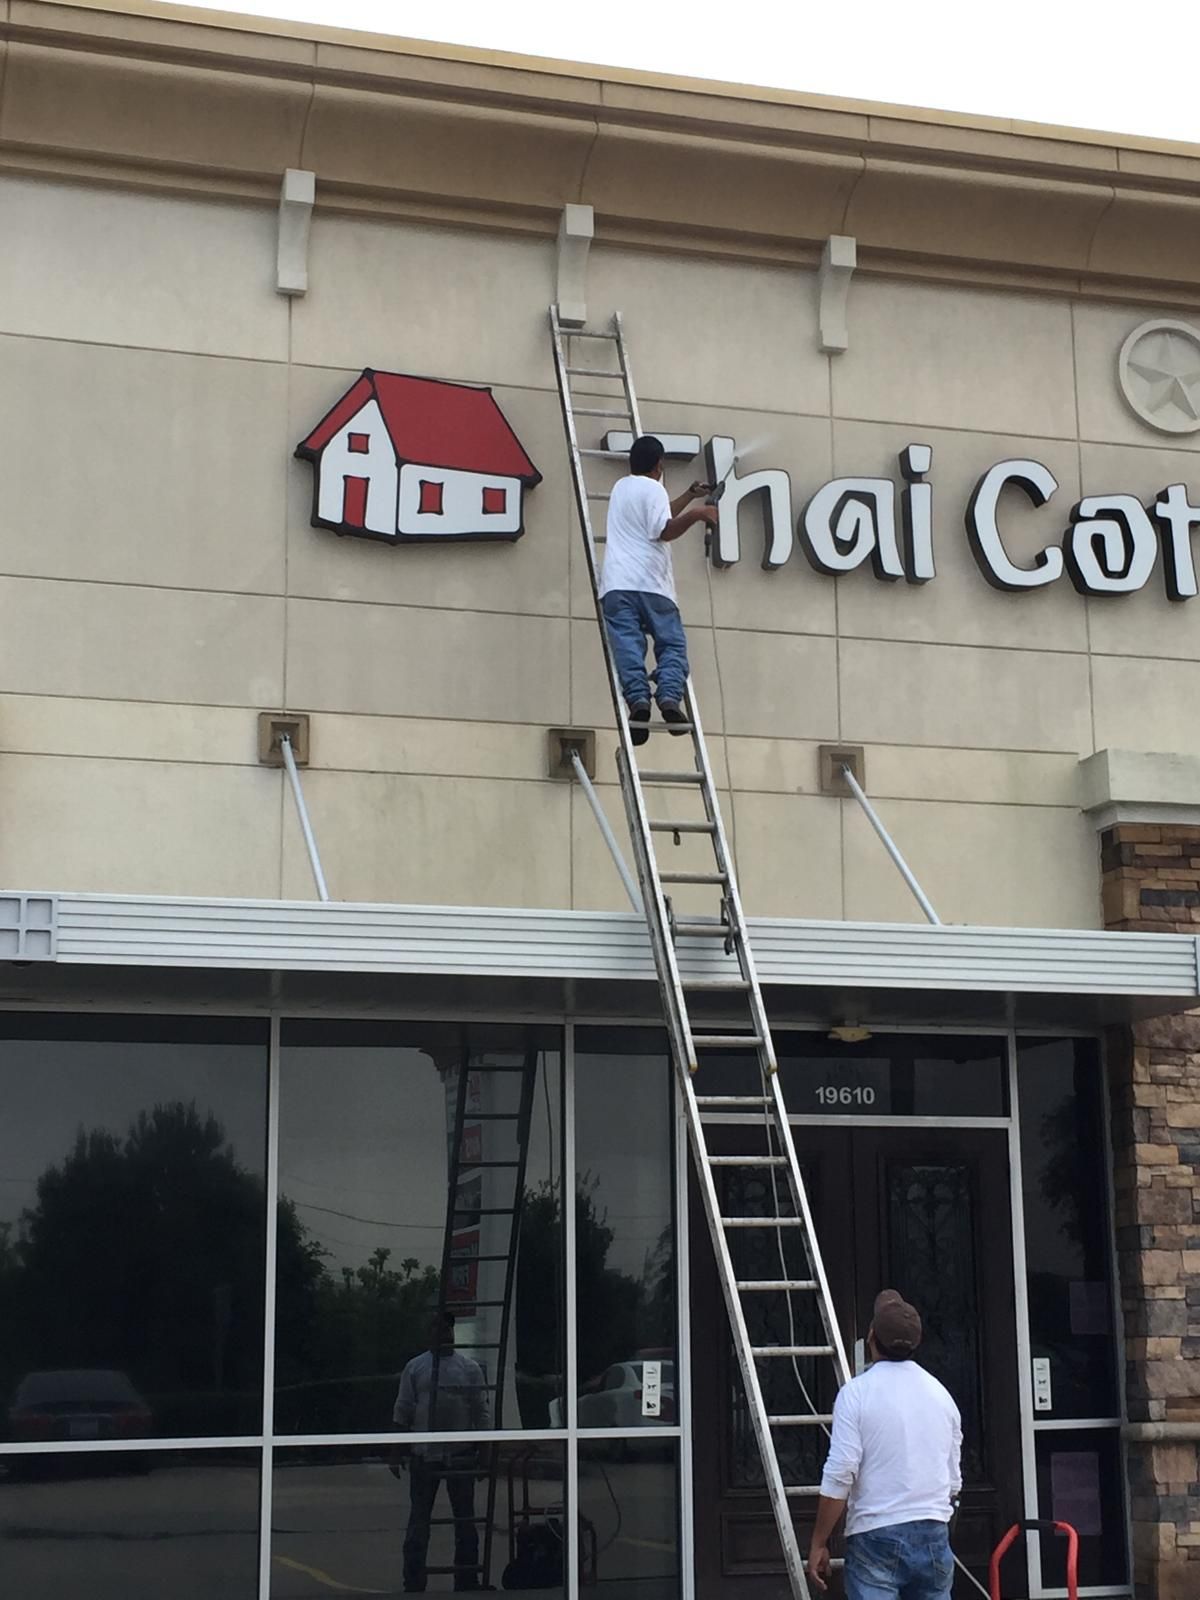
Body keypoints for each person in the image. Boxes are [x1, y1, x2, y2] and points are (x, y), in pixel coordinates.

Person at [806, 1290, 962, 1600]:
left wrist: (819, 1542)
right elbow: (953, 1482)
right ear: (916, 1342)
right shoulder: (942, 1396)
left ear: (872, 1336)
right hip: (934, 1531)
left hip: (876, 1535)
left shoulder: (857, 1394)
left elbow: (840, 1474)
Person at [598, 435, 717, 745]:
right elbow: (663, 529)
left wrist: (689, 496)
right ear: (659, 463)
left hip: (616, 586)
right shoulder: (654, 489)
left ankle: (638, 702)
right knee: (672, 646)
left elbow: (659, 514)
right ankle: (668, 697)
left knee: (628, 646)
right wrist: (698, 514)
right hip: (652, 586)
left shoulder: (621, 487)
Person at [392, 1313, 491, 1593]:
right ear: (429, 1333)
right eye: (437, 1328)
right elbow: (403, 1410)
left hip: (460, 1455)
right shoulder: (416, 1367)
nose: (443, 1333)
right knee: (418, 1523)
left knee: (465, 1522)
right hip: (425, 1456)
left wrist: (485, 1451)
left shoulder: (469, 1368)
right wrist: (395, 1452)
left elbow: (481, 1413)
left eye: (447, 1328)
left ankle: (467, 1580)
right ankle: (413, 1582)